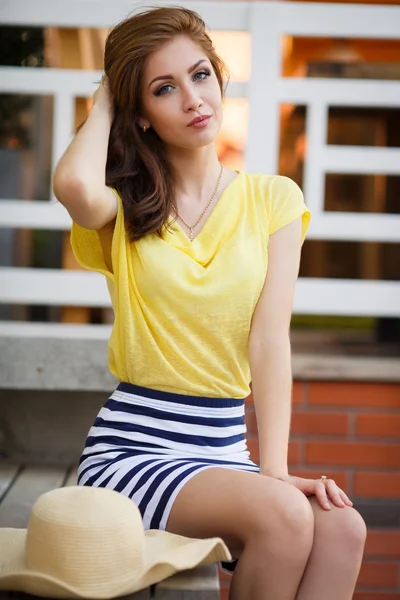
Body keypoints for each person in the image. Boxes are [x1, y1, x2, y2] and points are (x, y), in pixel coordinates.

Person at [53, 6, 367, 599]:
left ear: (219, 79)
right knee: (285, 517)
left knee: (343, 528)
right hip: (136, 449)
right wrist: (108, 95)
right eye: (163, 89)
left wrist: (272, 469)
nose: (193, 98)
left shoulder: (274, 200)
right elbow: (71, 185)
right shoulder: (127, 205)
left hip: (222, 450)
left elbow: (270, 339)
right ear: (140, 114)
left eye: (200, 75)